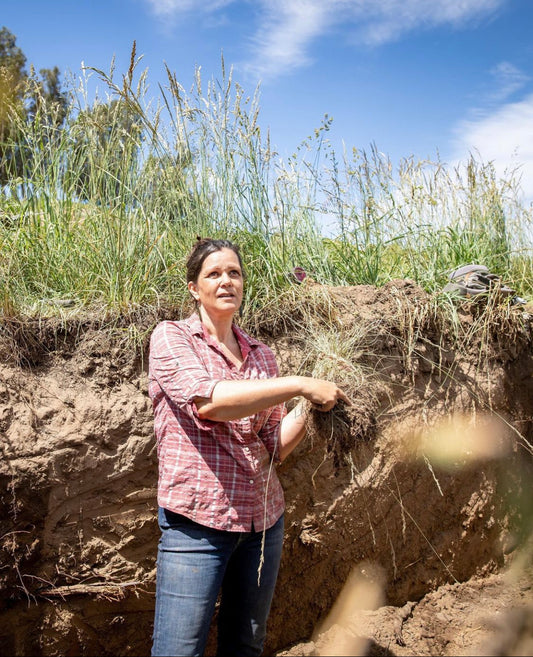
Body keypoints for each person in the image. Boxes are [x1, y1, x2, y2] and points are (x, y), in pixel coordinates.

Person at [148, 237, 349, 657]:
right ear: (193, 287)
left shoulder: (262, 356)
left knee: (245, 646)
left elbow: (272, 447)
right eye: (214, 274)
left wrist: (307, 405)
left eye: (234, 273)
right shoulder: (172, 339)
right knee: (178, 650)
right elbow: (210, 403)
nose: (227, 281)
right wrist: (298, 384)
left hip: (262, 524)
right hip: (196, 525)